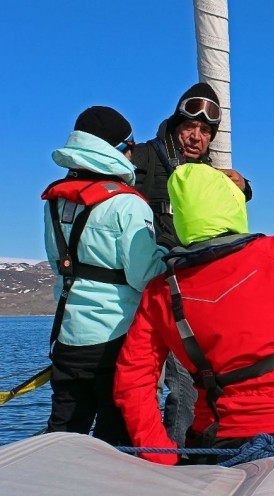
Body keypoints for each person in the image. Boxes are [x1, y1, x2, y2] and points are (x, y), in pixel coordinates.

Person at [114, 163, 274, 491]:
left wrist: (163, 457)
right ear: (232, 203)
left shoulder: (161, 291)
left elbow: (133, 380)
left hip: (217, 443)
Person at [130, 82, 252, 447]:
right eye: (188, 127)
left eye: (204, 131)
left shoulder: (210, 173)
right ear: (175, 126)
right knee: (142, 384)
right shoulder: (145, 157)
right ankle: (145, 454)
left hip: (188, 295)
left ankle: (178, 454)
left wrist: (244, 186)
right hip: (146, 291)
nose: (196, 137)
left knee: (186, 385)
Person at [42, 106, 166, 445]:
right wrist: (168, 260)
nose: (133, 154)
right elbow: (145, 276)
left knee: (63, 436)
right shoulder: (129, 204)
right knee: (117, 440)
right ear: (116, 149)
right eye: (131, 146)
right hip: (116, 339)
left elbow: (57, 263)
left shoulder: (54, 201)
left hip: (67, 338)